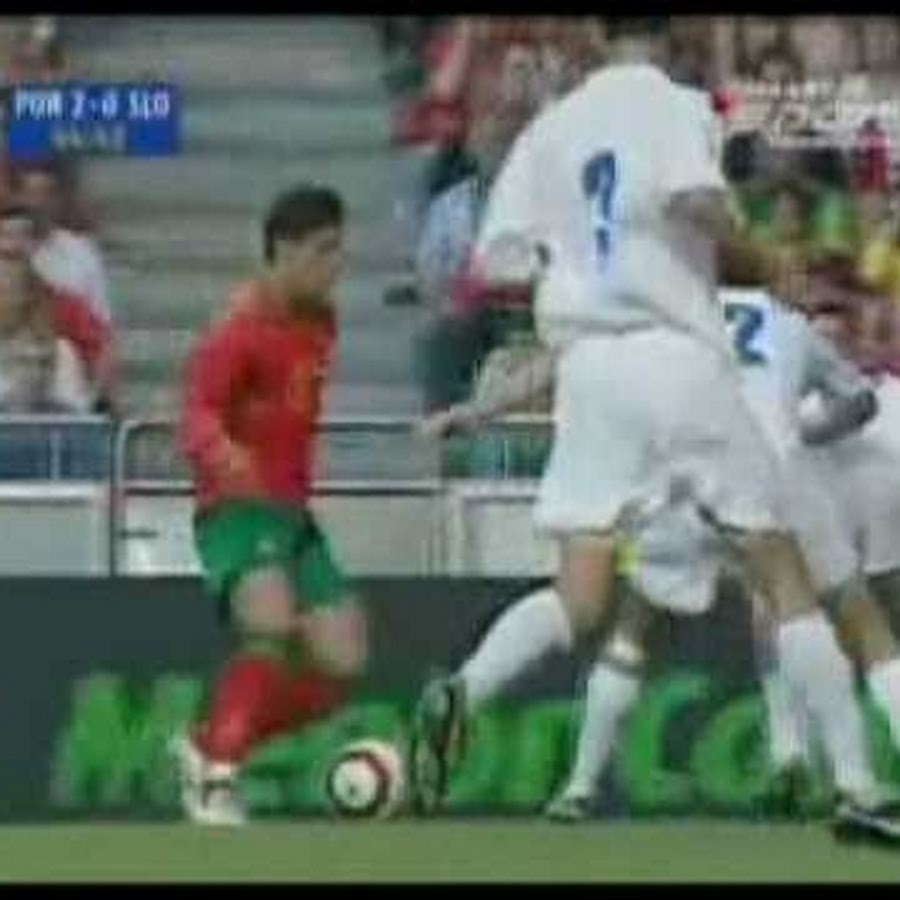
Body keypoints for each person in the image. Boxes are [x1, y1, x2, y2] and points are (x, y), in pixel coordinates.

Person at [406, 19, 900, 840]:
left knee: (581, 595)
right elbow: (692, 199)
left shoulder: (552, 128)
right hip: (673, 354)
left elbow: (498, 261)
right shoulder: (673, 105)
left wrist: (580, 269)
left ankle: (467, 685)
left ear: (600, 38)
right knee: (784, 573)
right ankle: (858, 786)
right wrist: (760, 259)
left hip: (588, 369)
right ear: (670, 42)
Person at [546, 285, 900, 840]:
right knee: (848, 614)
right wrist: (807, 432)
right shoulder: (786, 322)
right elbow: (859, 401)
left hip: (684, 485)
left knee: (634, 628)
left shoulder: (665, 323)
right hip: (775, 471)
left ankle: (578, 787)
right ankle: (855, 782)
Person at [173, 184, 368, 827]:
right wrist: (224, 452)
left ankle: (210, 742)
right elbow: (196, 415)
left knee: (343, 661)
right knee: (271, 627)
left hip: (292, 513)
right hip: (238, 508)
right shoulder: (236, 331)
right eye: (324, 250)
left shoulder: (321, 321)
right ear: (284, 250)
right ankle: (218, 782)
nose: (336, 264)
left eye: (338, 249)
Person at [12, 161, 111, 323]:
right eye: (30, 194)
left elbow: (93, 310)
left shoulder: (79, 249)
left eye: (46, 194)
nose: (38, 203)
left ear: (58, 199)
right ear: (18, 197)